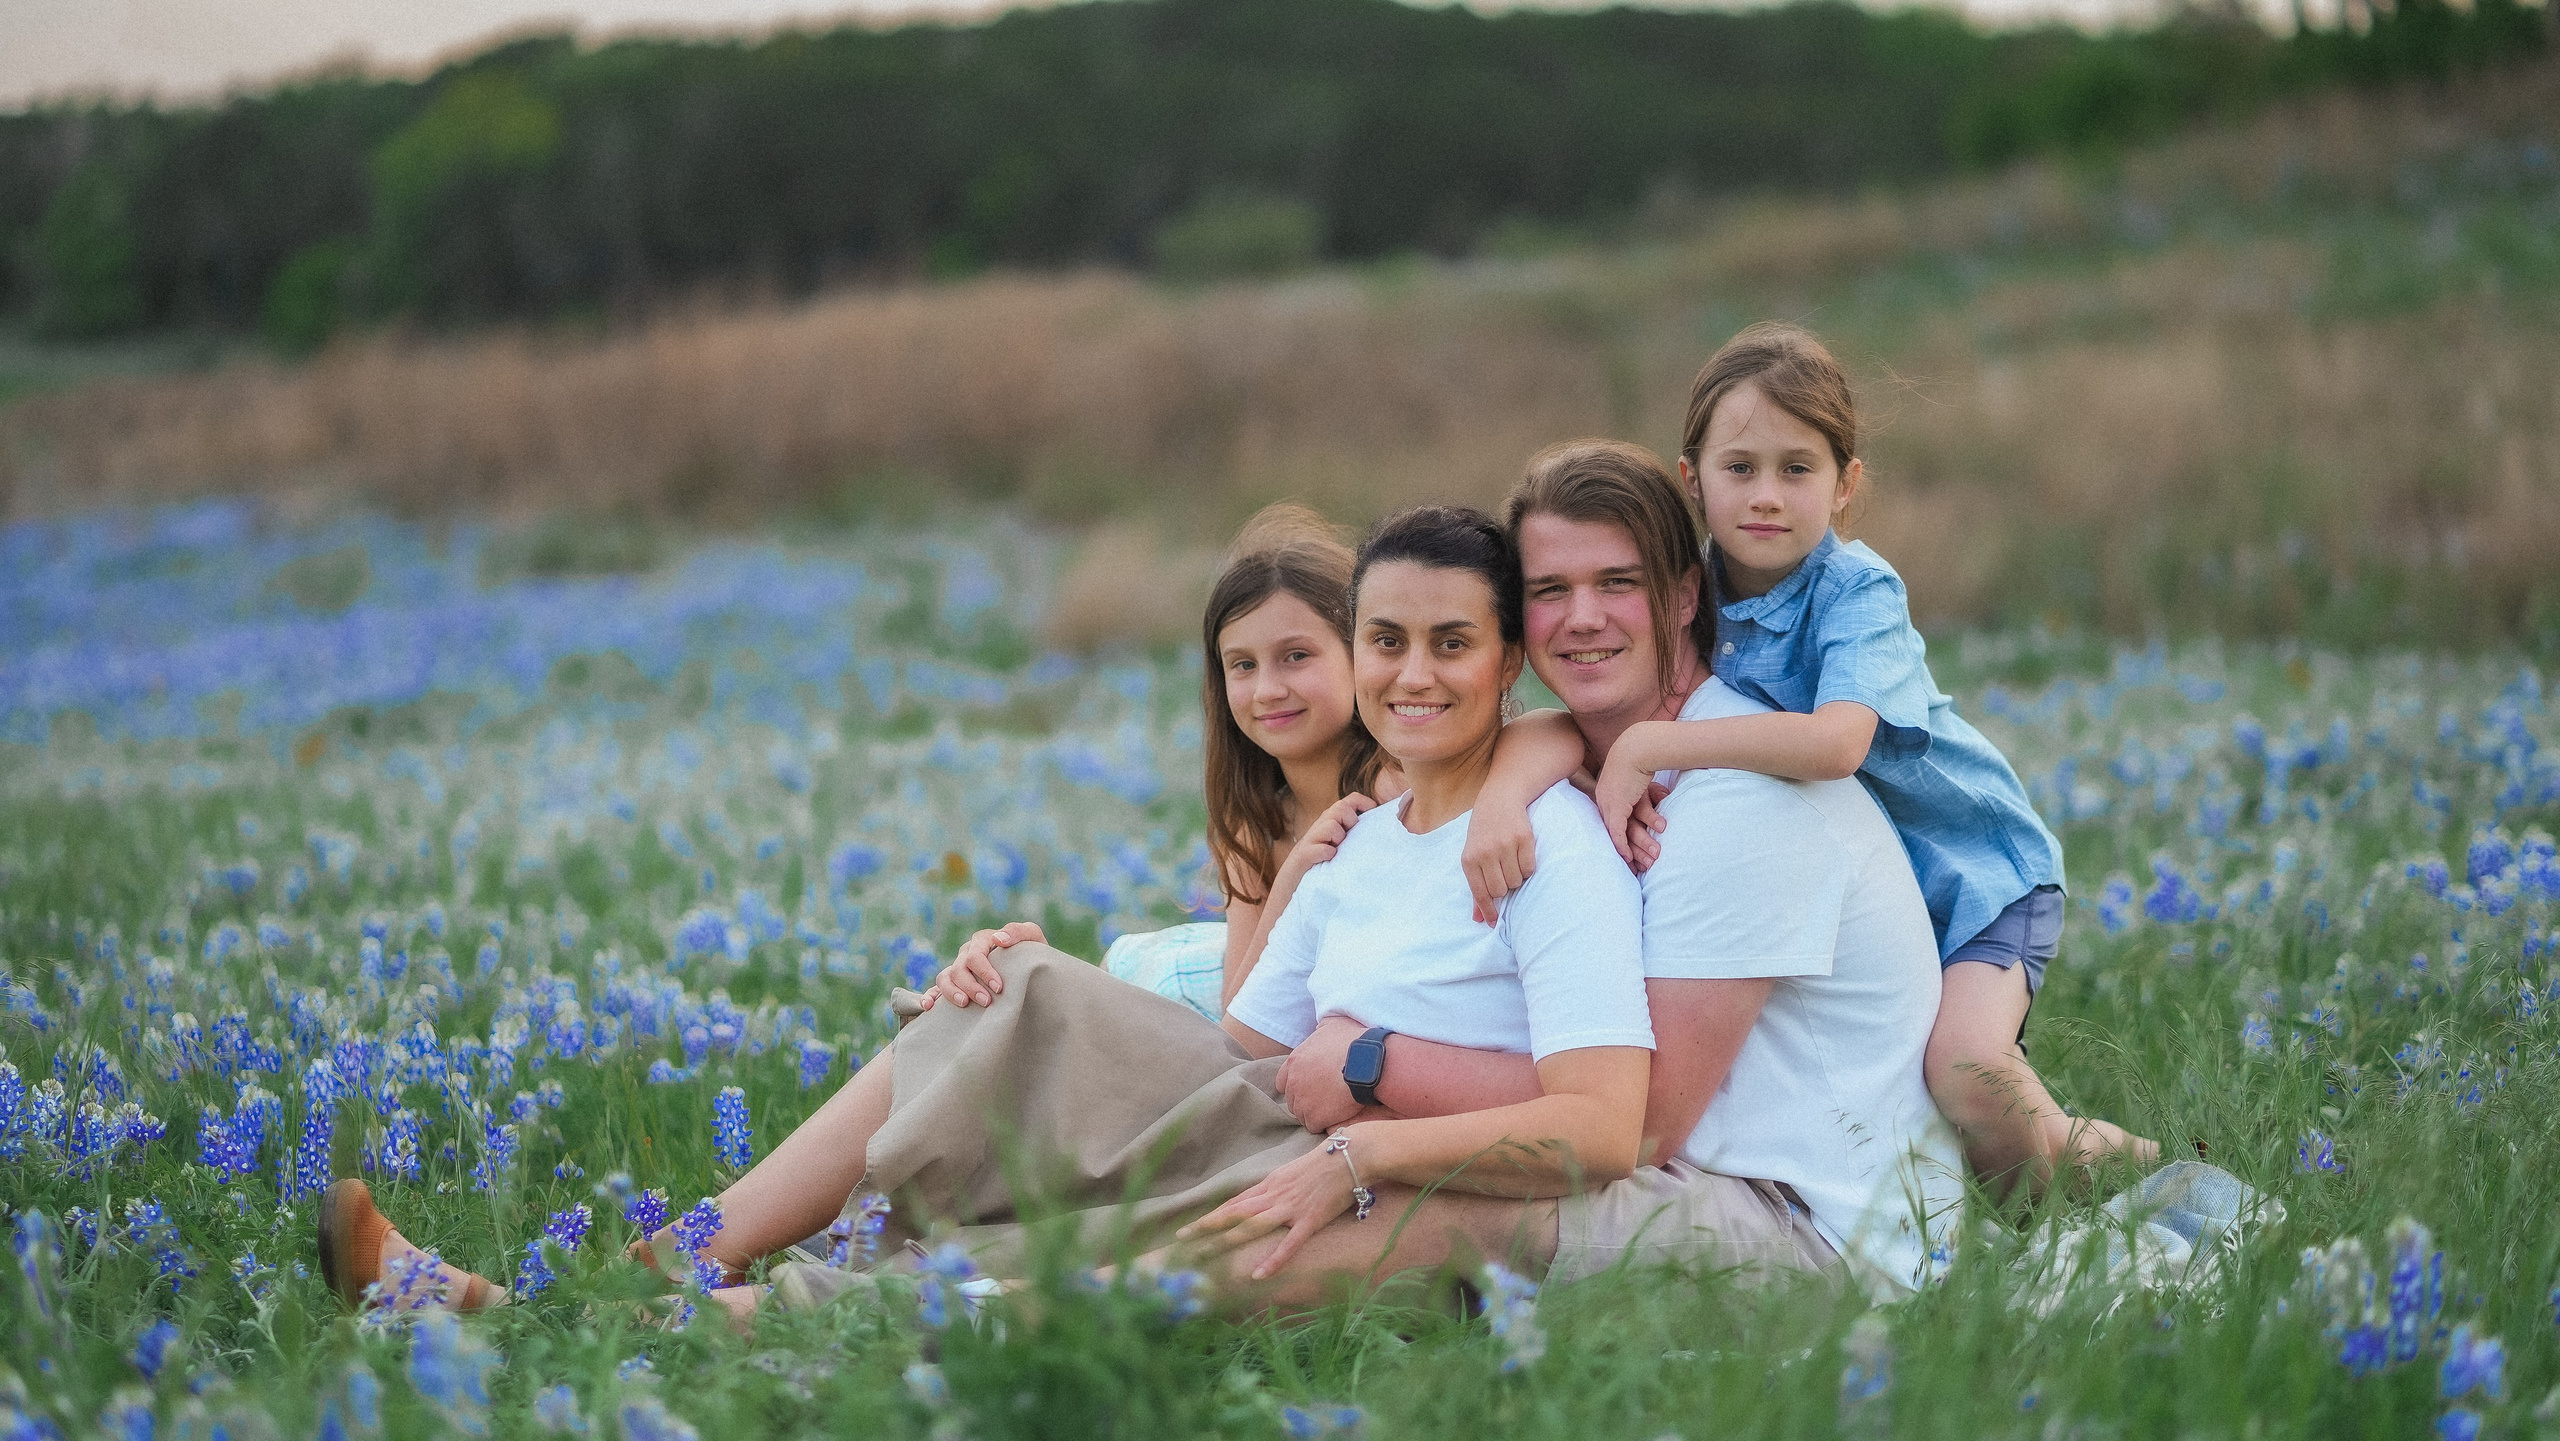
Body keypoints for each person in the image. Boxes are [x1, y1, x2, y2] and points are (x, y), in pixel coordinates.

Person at [315, 506, 1656, 1317]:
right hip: (1249, 1063)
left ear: (1502, 662)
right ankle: (667, 1267)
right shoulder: (1346, 834)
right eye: (1381, 644)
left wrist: (1518, 773)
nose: (1391, 675)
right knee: (990, 998)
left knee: (1009, 1055)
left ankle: (666, 1283)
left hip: (1306, 1111)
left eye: (1441, 646)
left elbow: (1541, 758)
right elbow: (1255, 1029)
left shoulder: (1478, 811)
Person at [1233, 441, 1965, 1302]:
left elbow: (1637, 1125)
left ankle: (1111, 1303)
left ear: (1686, 595)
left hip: (1824, 1234)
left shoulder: (1744, 804)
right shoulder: (1585, 759)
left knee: (1444, 1200)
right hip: (1712, 1177)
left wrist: (1371, 1064)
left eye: (1618, 583)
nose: (1583, 617)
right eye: (1549, 591)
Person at [1463, 324, 2157, 1200]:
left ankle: (2116, 1178)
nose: (1766, 497)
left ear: (1847, 484)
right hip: (1873, 870)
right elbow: (1571, 718)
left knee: (1968, 1070)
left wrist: (1650, 746)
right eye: (1740, 468)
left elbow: (1836, 746)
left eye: (1798, 469)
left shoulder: (1856, 591)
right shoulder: (1688, 579)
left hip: (1977, 871)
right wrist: (1502, 798)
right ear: (1692, 480)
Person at [941, 502, 1392, 1022]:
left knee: (1022, 1003)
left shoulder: (1400, 797)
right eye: (1242, 665)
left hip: (1316, 1033)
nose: (1268, 690)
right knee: (1003, 978)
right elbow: (1240, 1013)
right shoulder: (1256, 825)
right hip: (1210, 989)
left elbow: (1251, 1039)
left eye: (1296, 655)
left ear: (1361, 651)